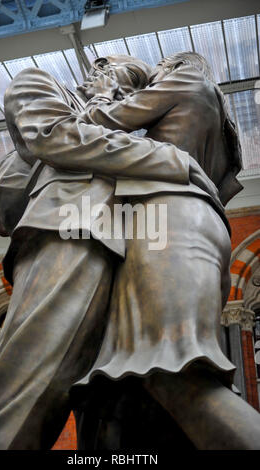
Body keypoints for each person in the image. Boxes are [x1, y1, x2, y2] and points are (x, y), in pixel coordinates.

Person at [0, 58, 207, 450]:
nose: (129, 94)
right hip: (71, 229)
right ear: (99, 70)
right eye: (128, 80)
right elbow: (53, 138)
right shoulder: (41, 85)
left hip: (133, 249)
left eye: (137, 89)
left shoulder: (115, 126)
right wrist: (170, 160)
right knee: (30, 385)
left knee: (111, 407)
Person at [72, 52, 260, 450]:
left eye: (155, 72)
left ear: (171, 66)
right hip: (198, 224)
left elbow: (97, 124)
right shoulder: (214, 116)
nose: (151, 78)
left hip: (166, 217)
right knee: (127, 384)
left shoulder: (183, 82)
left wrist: (103, 94)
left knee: (170, 371)